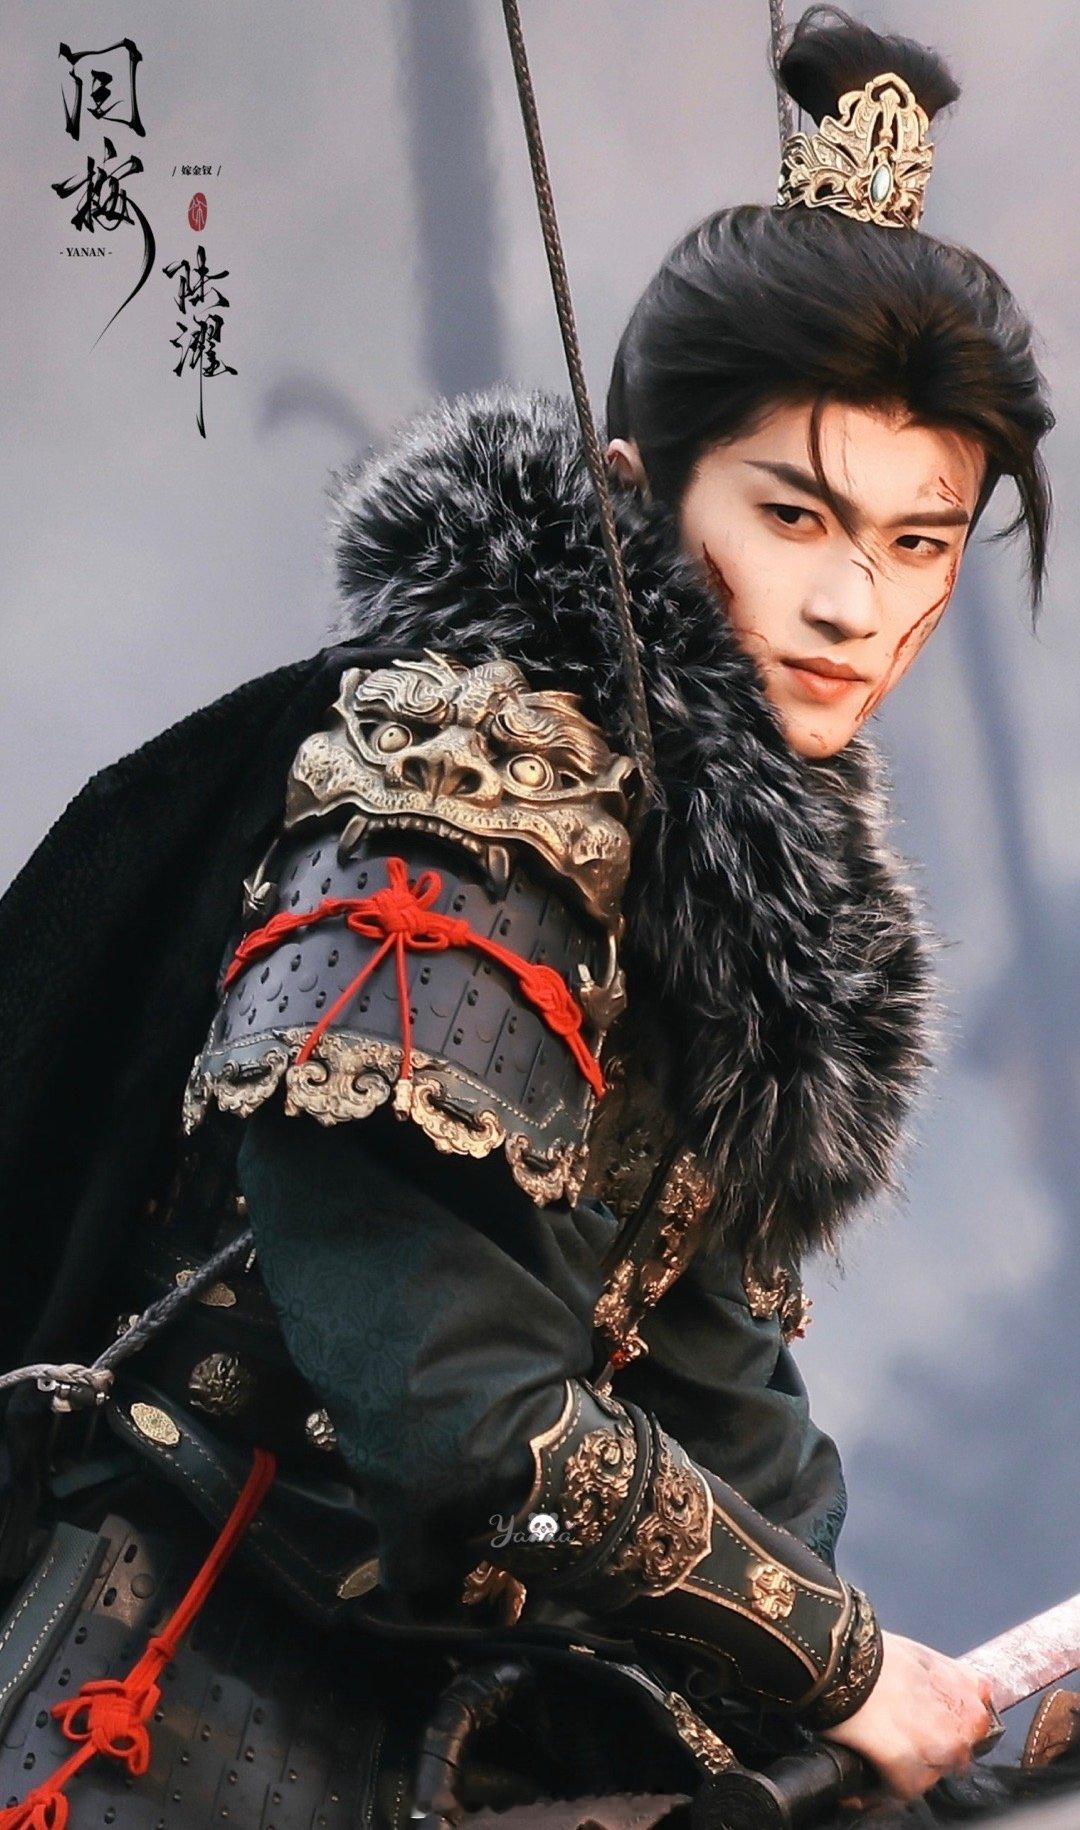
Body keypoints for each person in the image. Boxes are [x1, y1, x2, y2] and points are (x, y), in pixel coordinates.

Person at [0, 9, 1066, 1827]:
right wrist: (840, 1667)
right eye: (795, 513)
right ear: (645, 486)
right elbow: (461, 1415)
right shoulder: (456, 800)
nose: (851, 604)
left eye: (917, 540)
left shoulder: (735, 857)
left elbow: (716, 1383)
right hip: (180, 1693)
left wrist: (872, 1696)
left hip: (482, 1698)